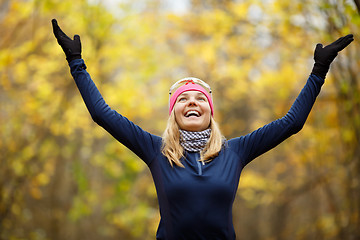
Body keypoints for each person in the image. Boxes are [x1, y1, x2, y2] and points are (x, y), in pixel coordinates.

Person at [51, 19, 354, 240]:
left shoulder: (235, 151)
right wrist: (76, 62)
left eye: (200, 98)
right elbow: (102, 114)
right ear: (174, 113)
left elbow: (291, 123)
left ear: (210, 111)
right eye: (183, 99)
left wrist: (319, 70)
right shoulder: (155, 151)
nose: (192, 103)